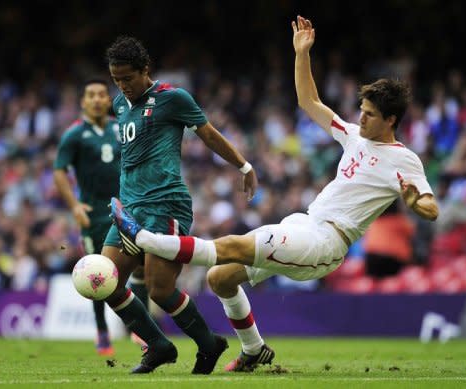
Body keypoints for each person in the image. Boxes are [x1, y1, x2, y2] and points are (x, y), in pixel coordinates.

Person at [110, 15, 439, 372]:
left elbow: (431, 207)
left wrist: (413, 202)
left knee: (232, 245)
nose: (361, 119)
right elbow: (309, 101)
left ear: (391, 120)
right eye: (361, 111)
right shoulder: (353, 135)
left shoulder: (404, 160)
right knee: (220, 278)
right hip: (305, 224)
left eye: (370, 115)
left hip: (327, 243)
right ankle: (254, 349)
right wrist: (302, 54)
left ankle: (143, 237)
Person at [101, 36, 259, 375]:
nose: (122, 86)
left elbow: (208, 133)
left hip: (165, 203)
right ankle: (158, 345)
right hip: (129, 207)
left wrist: (243, 166)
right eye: (116, 79)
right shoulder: (119, 105)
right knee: (104, 279)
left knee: (160, 289)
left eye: (128, 78)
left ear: (145, 70)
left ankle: (208, 343)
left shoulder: (172, 98)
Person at [53, 78, 149, 356]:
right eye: (91, 95)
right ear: (83, 102)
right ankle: (102, 331)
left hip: (125, 208)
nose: (96, 99)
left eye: (101, 95)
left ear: (108, 101)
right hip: (93, 215)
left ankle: (140, 330)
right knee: (97, 273)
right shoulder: (74, 135)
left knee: (141, 264)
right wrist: (74, 206)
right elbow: (59, 170)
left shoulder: (120, 129)